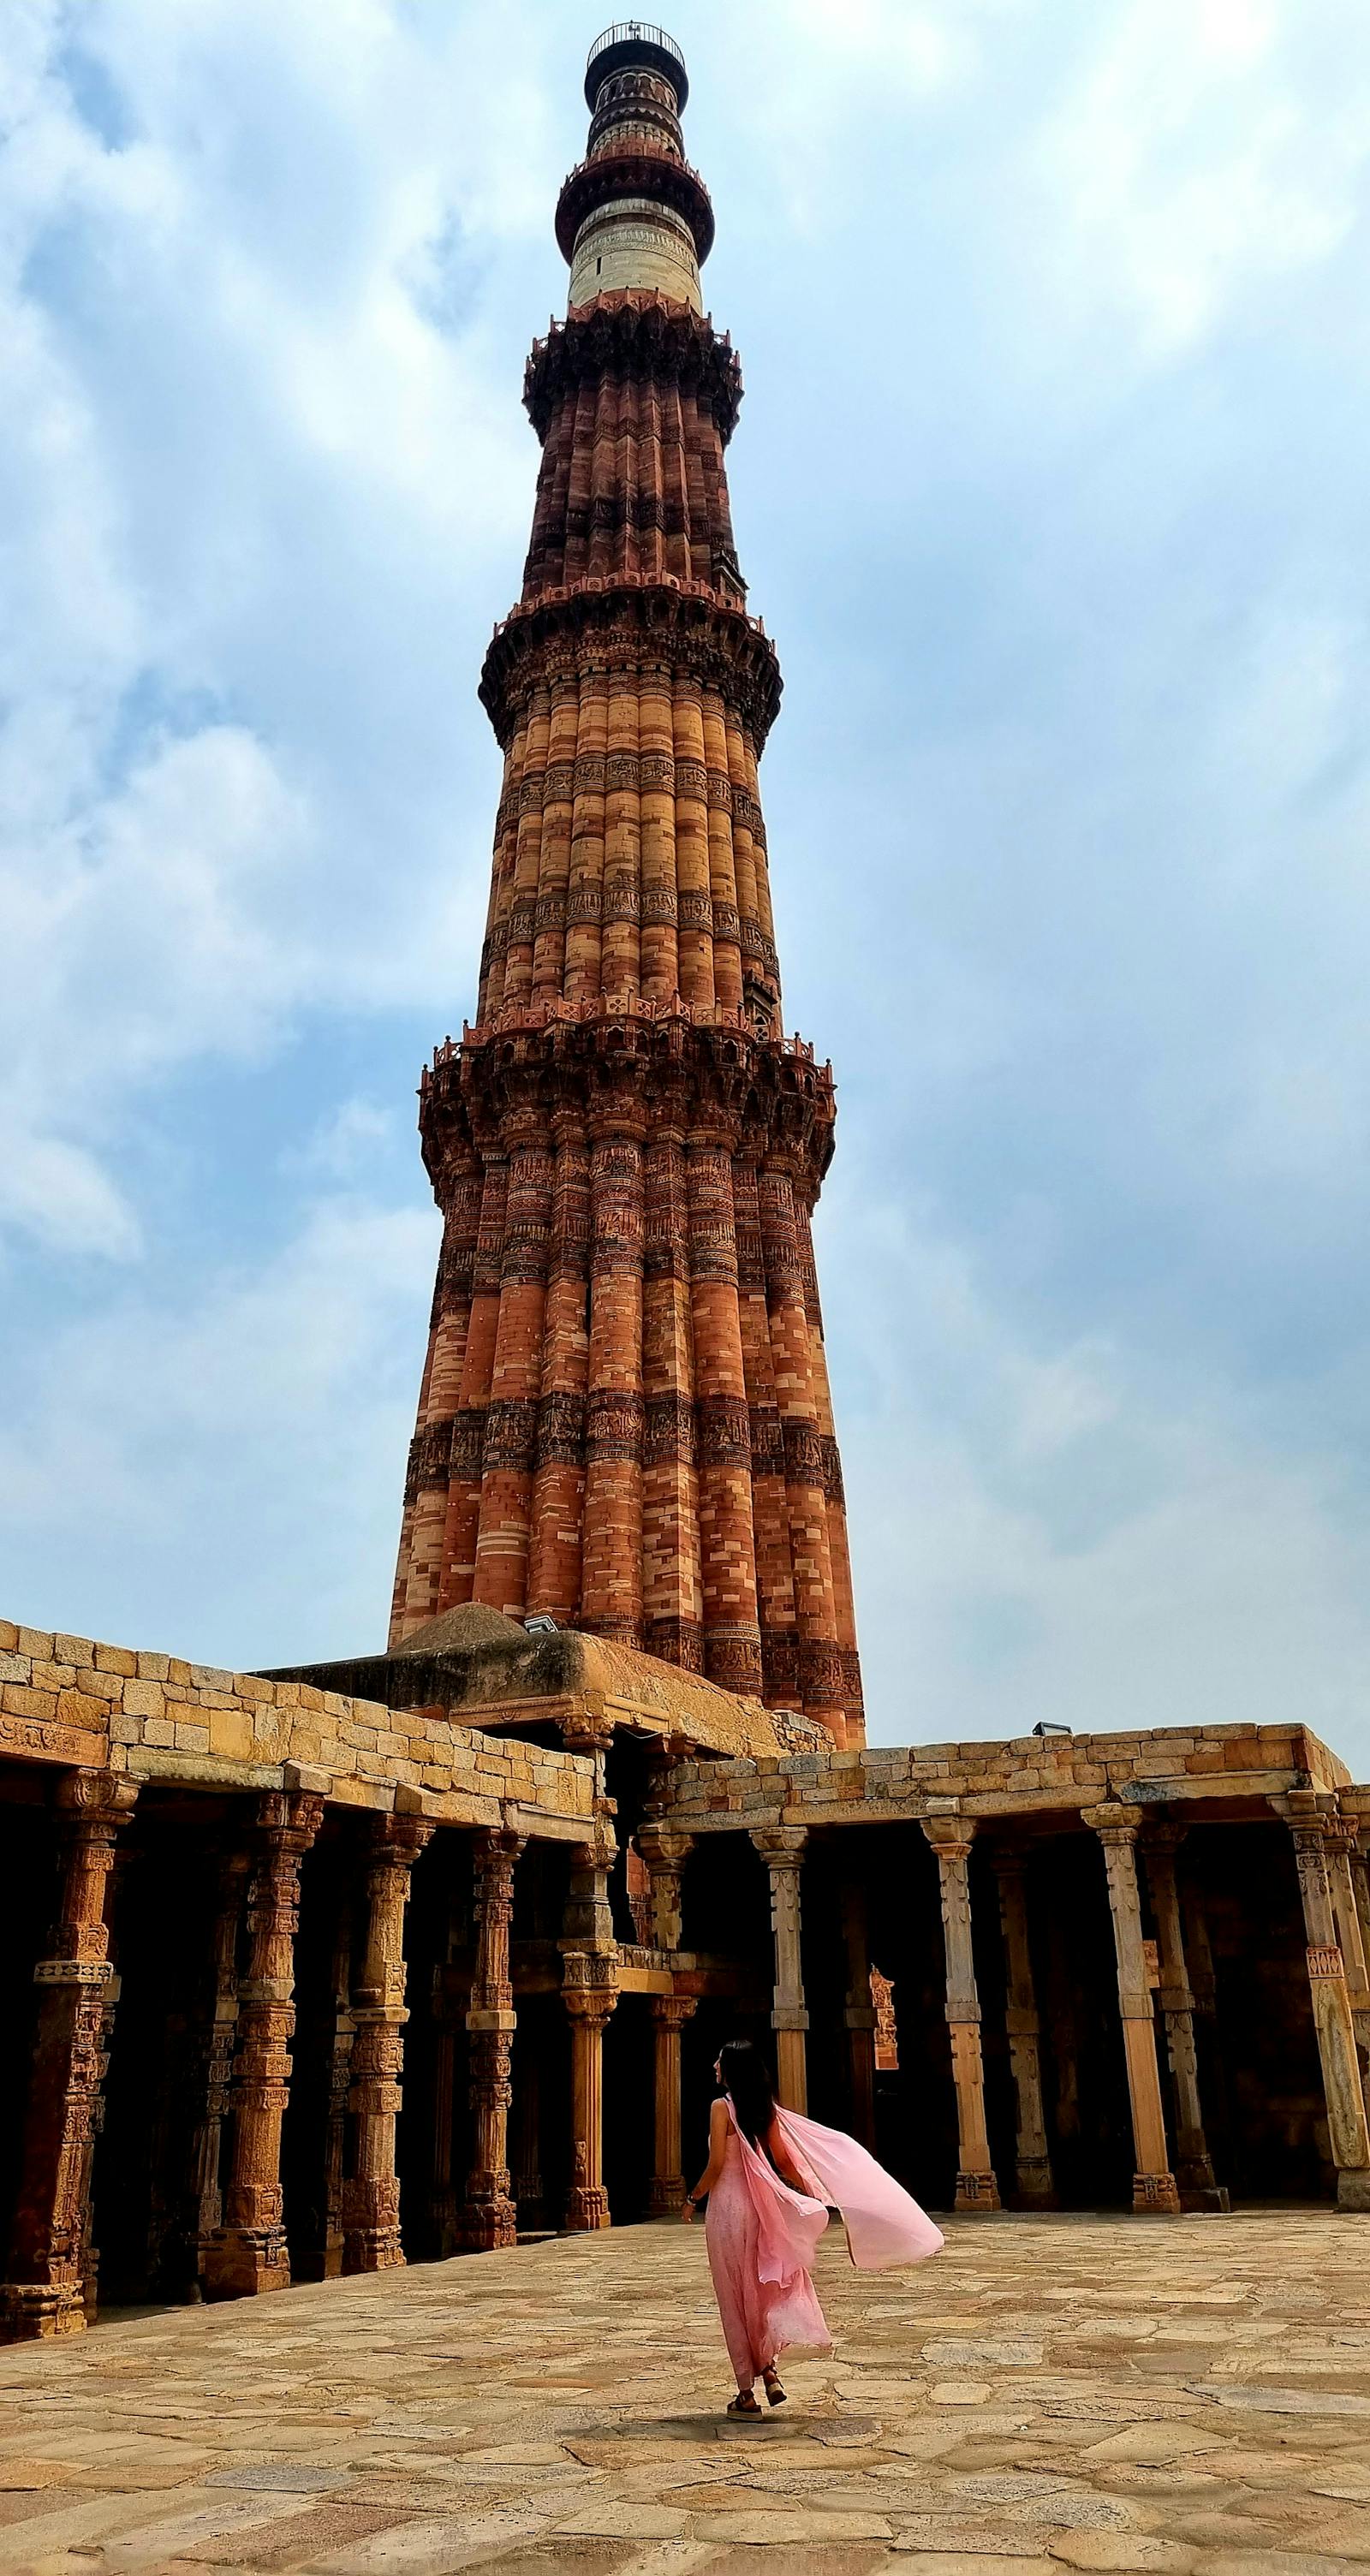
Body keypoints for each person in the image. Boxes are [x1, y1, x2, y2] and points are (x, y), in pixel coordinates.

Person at [682, 2038, 944, 2418]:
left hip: (728, 2210)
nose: (715, 2066)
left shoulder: (720, 2107)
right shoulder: (763, 2110)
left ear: (732, 2069)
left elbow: (717, 2164)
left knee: (734, 2294)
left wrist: (693, 2199)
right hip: (760, 2210)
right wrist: (811, 2190)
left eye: (720, 2061)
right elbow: (785, 2161)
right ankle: (769, 2371)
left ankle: (746, 2392)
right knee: (761, 2288)